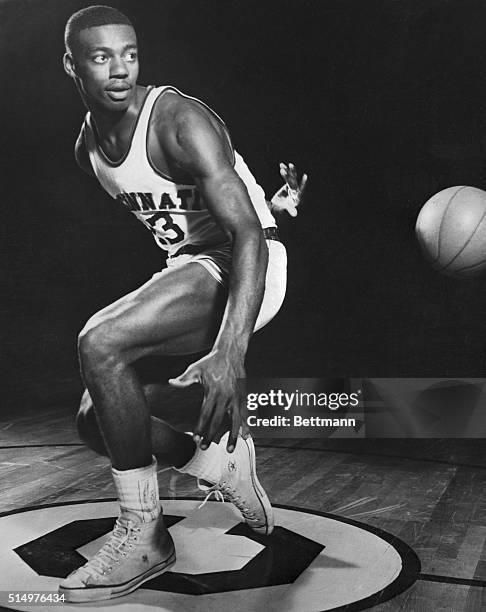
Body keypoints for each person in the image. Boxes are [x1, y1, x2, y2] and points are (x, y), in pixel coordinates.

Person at [60, 5, 307, 602]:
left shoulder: (177, 119)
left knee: (100, 340)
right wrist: (268, 203)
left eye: (130, 53)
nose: (120, 70)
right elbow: (186, 215)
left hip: (249, 264)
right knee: (99, 423)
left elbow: (244, 234)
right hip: (198, 264)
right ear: (72, 66)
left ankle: (145, 535)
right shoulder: (89, 149)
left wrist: (231, 350)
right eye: (101, 57)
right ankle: (213, 463)